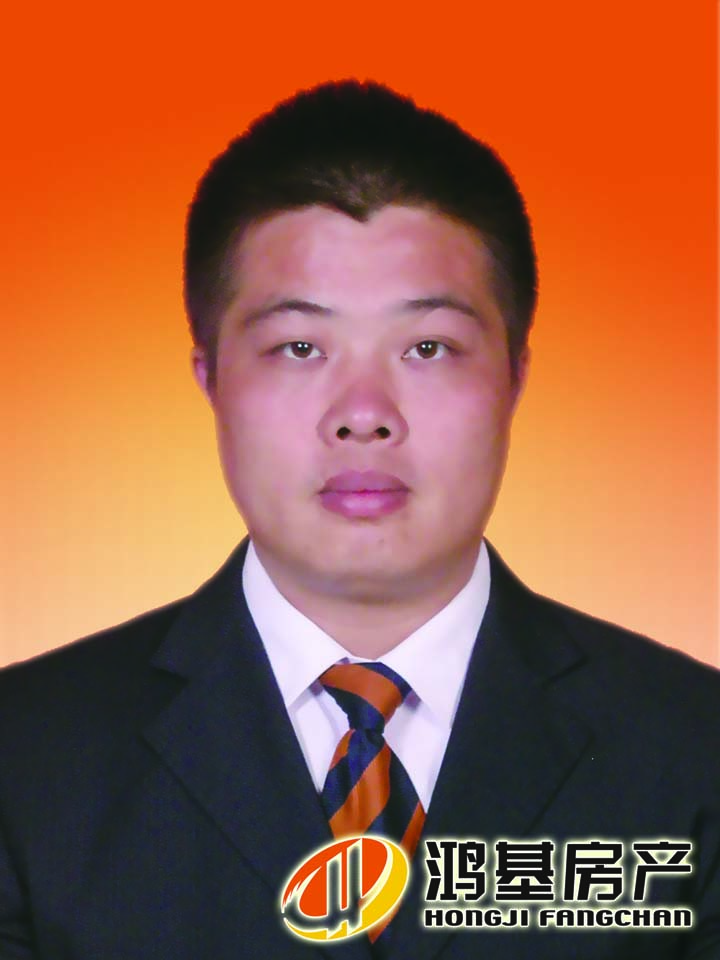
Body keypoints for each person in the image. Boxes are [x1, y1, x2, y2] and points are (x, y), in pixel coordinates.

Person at [0, 80, 717, 960]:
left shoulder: (694, 750)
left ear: (515, 377)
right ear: (211, 378)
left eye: (428, 348)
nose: (365, 414)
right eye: (300, 347)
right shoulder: (24, 757)